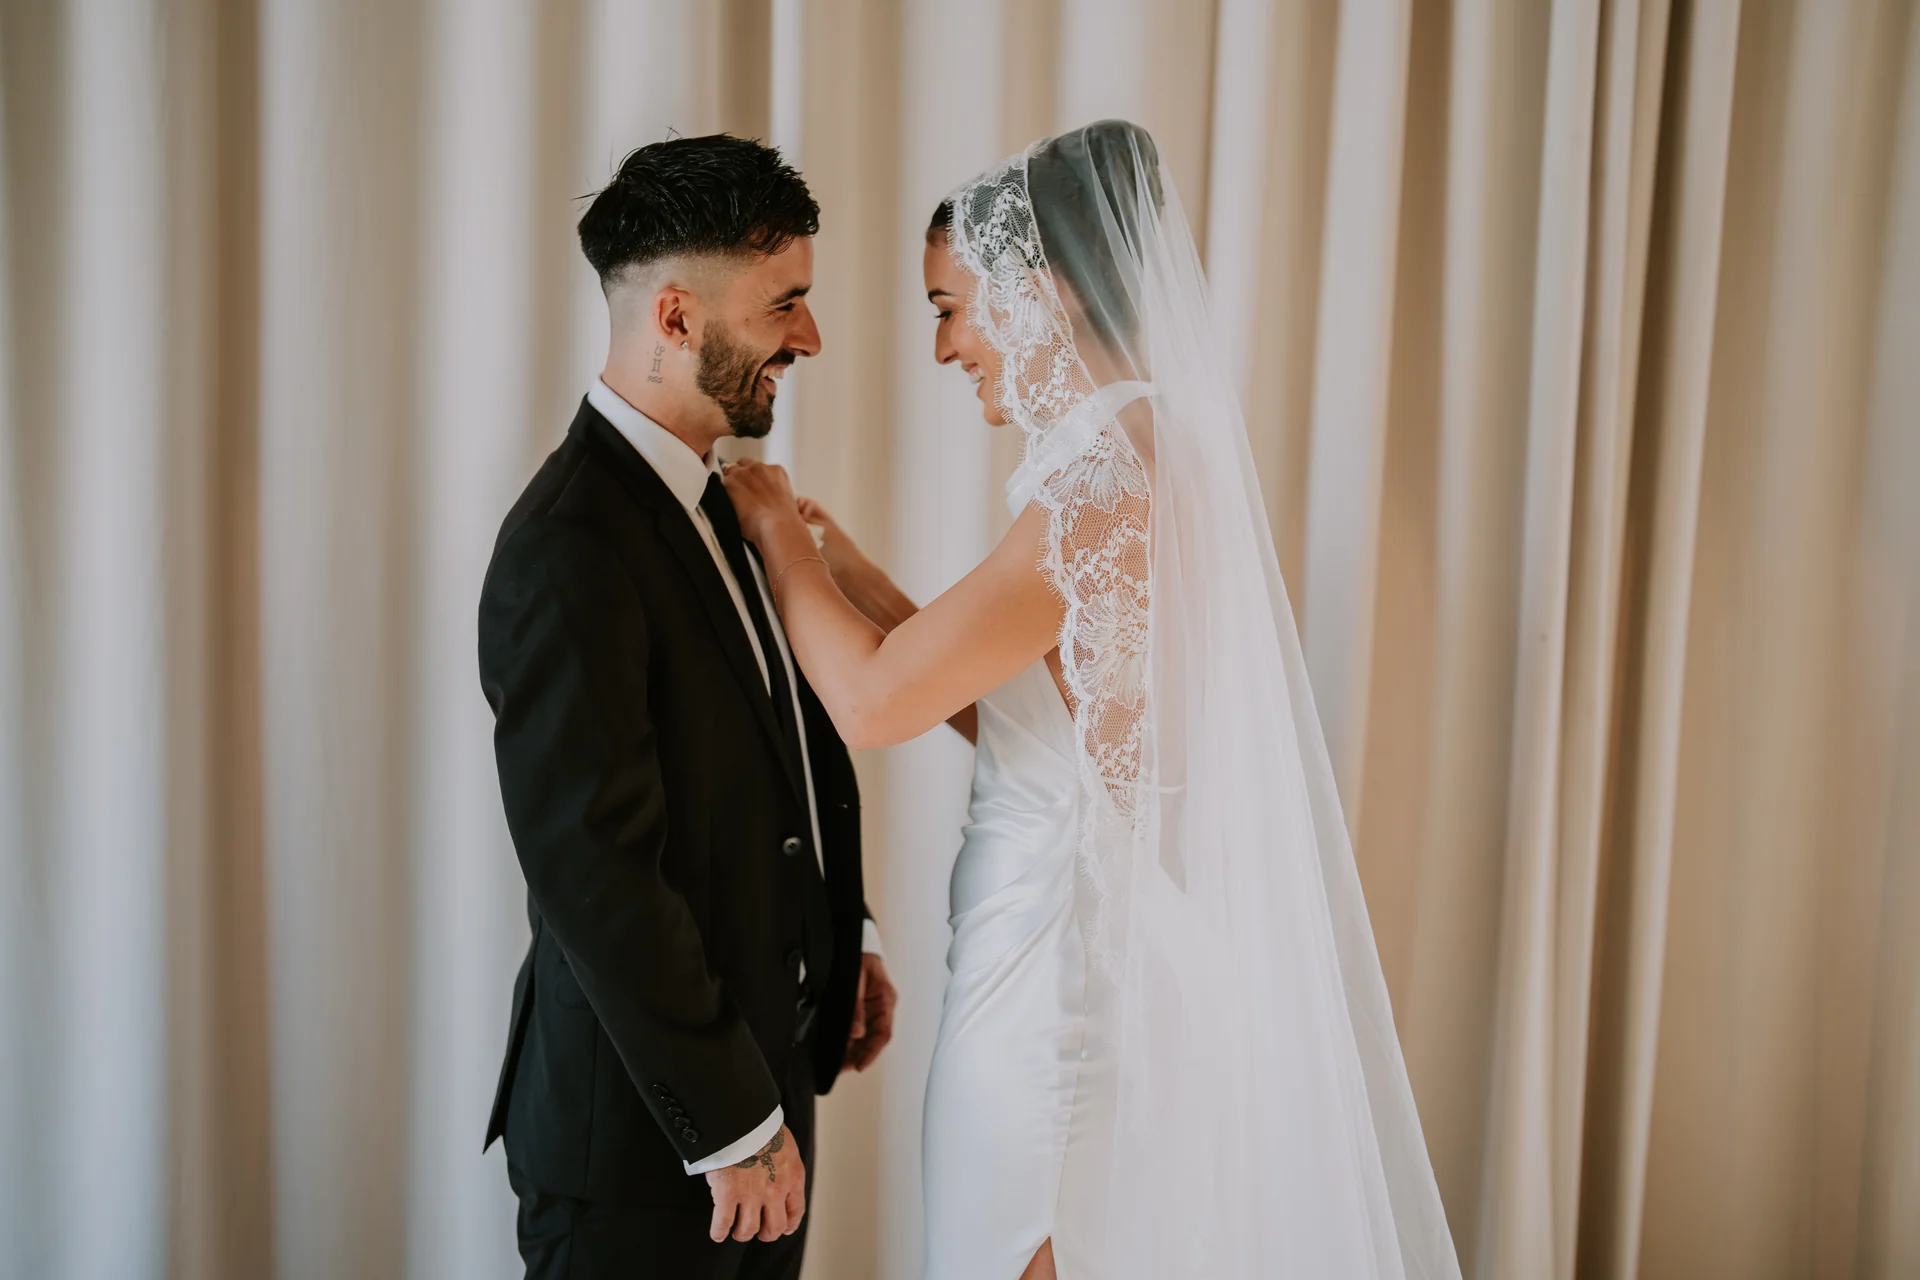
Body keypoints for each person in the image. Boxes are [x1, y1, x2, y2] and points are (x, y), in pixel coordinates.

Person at [723, 121, 1463, 1279]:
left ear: (1047, 290)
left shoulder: (1101, 479)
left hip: (1054, 984)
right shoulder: (1149, 448)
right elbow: (1028, 717)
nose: (944, 347)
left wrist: (772, 528)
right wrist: (849, 570)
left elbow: (872, 704)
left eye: (950, 308)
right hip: (1078, 958)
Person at [477, 134, 896, 1280]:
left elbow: (764, 747)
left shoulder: (728, 500)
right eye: (785, 303)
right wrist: (729, 1123)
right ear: (674, 315)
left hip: (766, 1090)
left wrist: (839, 927)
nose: (811, 336)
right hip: (652, 1143)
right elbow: (596, 870)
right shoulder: (566, 544)